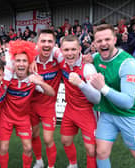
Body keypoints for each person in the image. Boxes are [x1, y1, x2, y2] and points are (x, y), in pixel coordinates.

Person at [90, 24, 135, 168]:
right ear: (94, 43)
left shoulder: (128, 63)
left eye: (107, 39)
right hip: (107, 114)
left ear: (114, 40)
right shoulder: (95, 57)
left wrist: (103, 88)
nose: (103, 43)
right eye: (99, 41)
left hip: (129, 115)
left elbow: (127, 102)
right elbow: (75, 56)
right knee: (101, 152)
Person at [0, 40, 55, 168]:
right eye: (18, 61)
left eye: (24, 61)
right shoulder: (8, 77)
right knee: (3, 148)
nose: (21, 64)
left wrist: (40, 83)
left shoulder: (32, 78)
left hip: (23, 118)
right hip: (6, 117)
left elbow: (51, 93)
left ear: (29, 63)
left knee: (28, 148)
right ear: (14, 63)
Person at [57, 35, 100, 168]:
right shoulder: (60, 60)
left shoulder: (87, 68)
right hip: (70, 109)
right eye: (66, 50)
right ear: (61, 50)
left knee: (91, 150)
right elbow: (43, 49)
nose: (70, 53)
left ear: (80, 49)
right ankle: (73, 164)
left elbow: (97, 98)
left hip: (87, 112)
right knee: (65, 140)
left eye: (73, 50)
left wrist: (81, 84)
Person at [30, 29, 62, 168]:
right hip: (31, 105)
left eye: (50, 41)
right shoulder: (29, 59)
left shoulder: (59, 60)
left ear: (54, 44)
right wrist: (30, 57)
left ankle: (51, 166)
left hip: (48, 105)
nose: (46, 44)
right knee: (34, 135)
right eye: (43, 41)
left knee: (48, 139)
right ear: (37, 43)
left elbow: (74, 57)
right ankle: (39, 161)